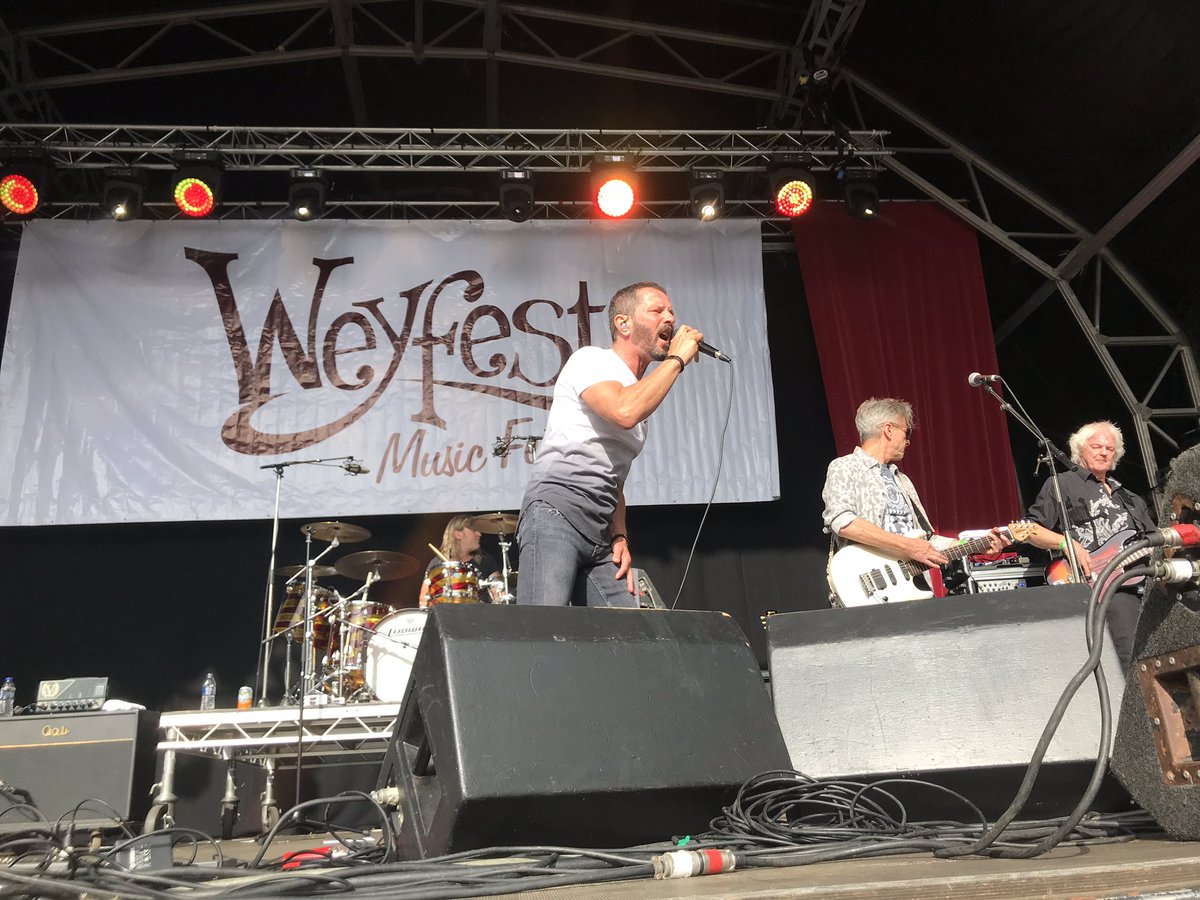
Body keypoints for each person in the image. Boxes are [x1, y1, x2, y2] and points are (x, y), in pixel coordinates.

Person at [516, 281, 703, 606]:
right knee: (541, 628)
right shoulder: (592, 360)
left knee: (631, 630)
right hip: (557, 512)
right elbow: (623, 411)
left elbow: (615, 478)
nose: (670, 318)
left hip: (600, 534)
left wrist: (619, 535)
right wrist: (677, 359)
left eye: (671, 311)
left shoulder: (640, 392)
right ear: (623, 324)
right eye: (657, 310)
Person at [820, 397, 1003, 602]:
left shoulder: (902, 480)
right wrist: (908, 546)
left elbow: (925, 541)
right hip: (871, 586)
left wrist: (973, 544)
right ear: (888, 430)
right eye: (906, 432)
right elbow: (843, 522)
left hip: (913, 588)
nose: (908, 441)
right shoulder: (845, 467)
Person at [1023, 420, 1157, 670]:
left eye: (1110, 449)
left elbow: (1155, 541)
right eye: (1097, 447)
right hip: (1105, 586)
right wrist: (1066, 543)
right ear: (1080, 449)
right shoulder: (1061, 484)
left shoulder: (1130, 498)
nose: (1104, 452)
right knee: (1134, 657)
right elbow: (1029, 530)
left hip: (1145, 582)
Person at [418, 515, 500, 608]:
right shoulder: (438, 564)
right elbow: (423, 600)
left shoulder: (485, 561)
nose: (479, 534)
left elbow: (498, 594)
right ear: (458, 534)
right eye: (474, 530)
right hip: (446, 614)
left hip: (479, 614)